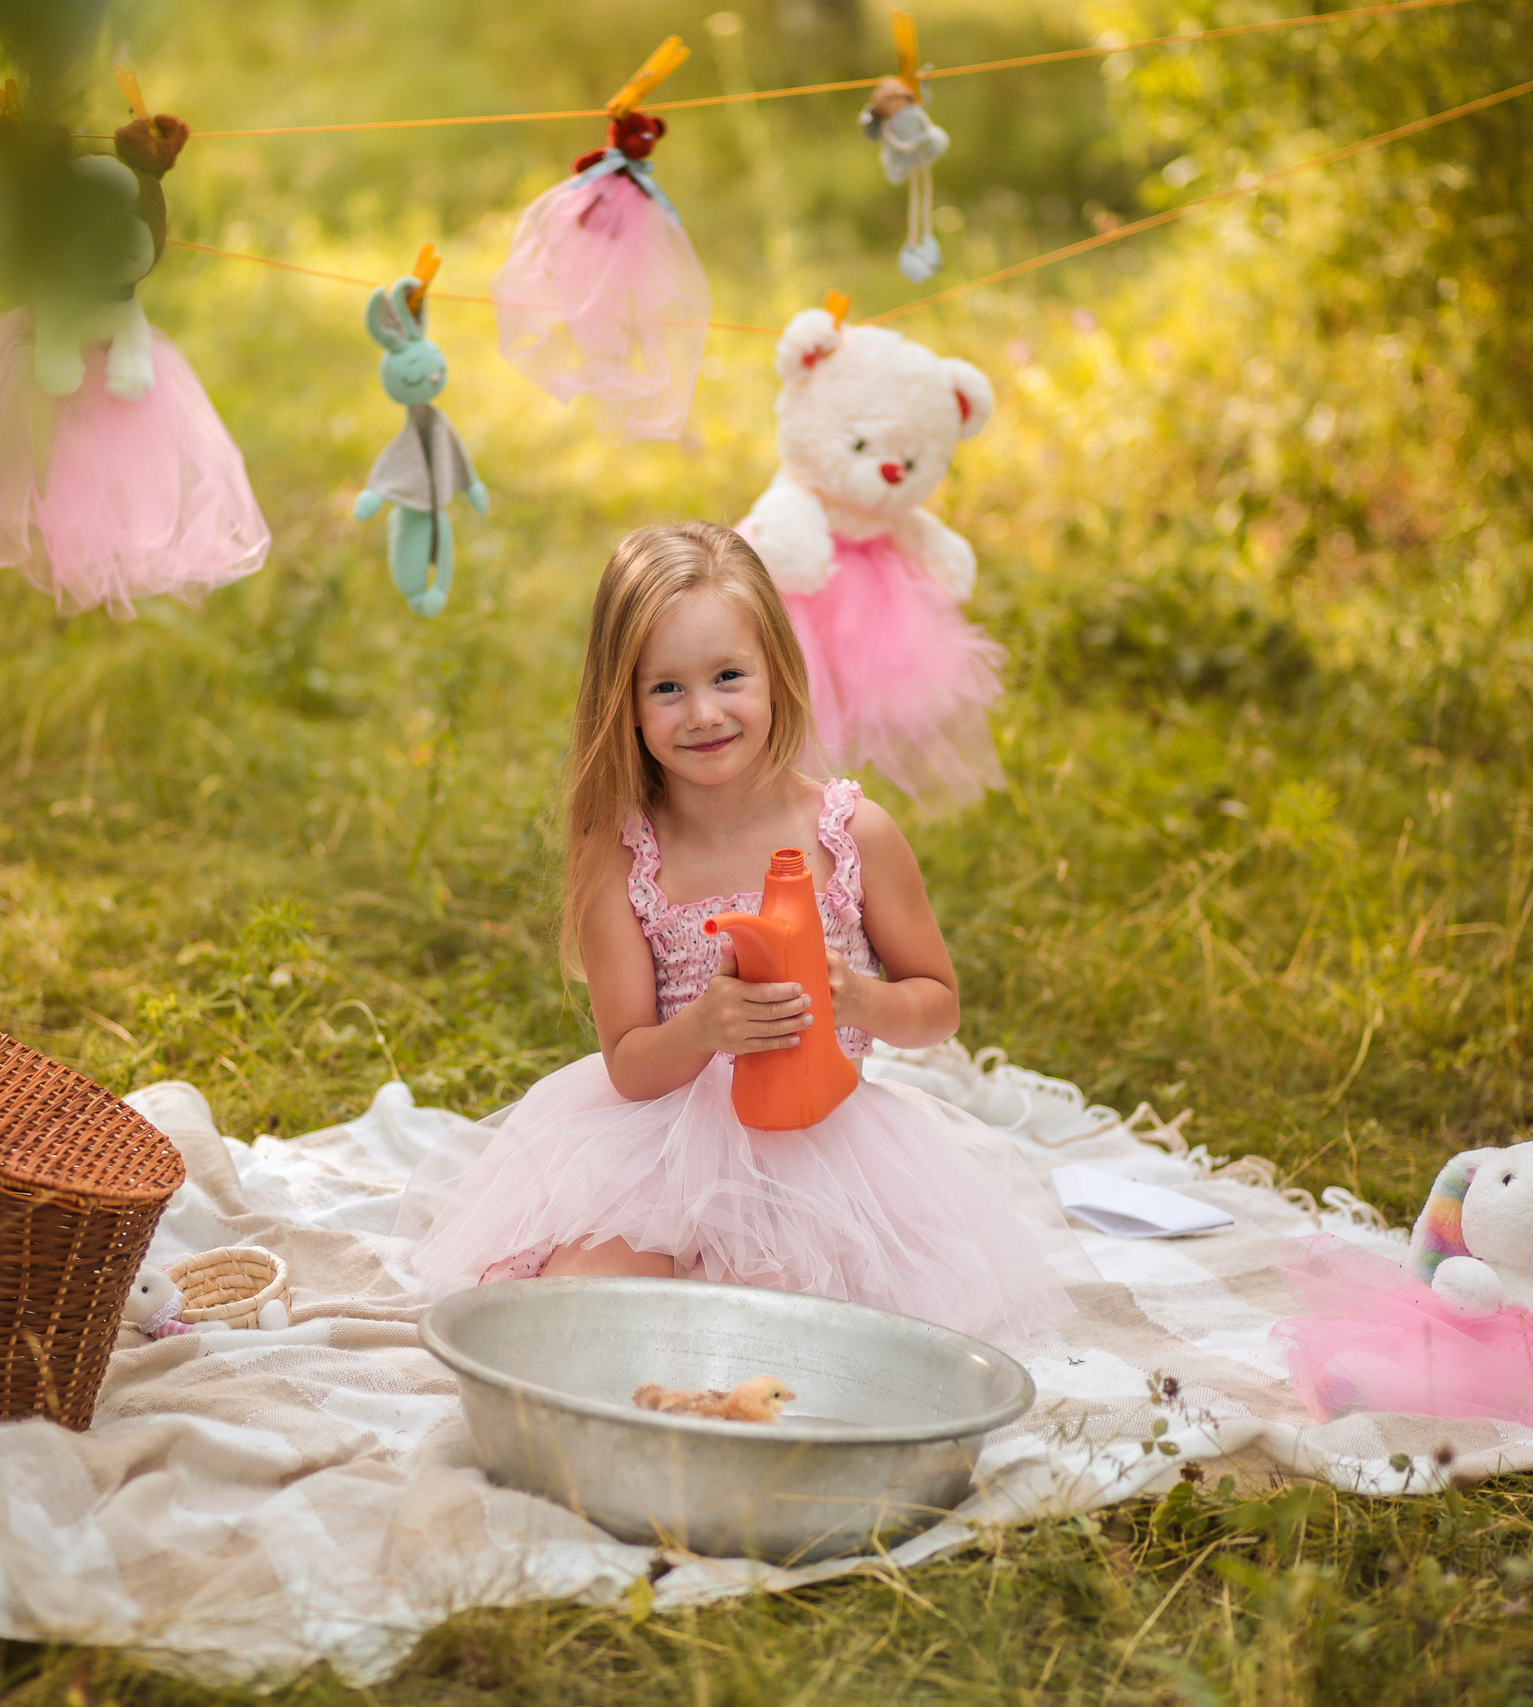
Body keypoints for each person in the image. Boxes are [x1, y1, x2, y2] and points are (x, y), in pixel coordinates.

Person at [399, 522, 1086, 1343]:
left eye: (729, 676)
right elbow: (630, 1065)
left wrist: (861, 996)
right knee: (574, 1322)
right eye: (666, 689)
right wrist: (703, 1026)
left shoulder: (852, 833)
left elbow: (938, 1004)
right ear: (624, 701)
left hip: (817, 1150)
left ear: (776, 673)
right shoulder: (620, 855)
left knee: (769, 1333)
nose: (704, 713)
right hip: (652, 1149)